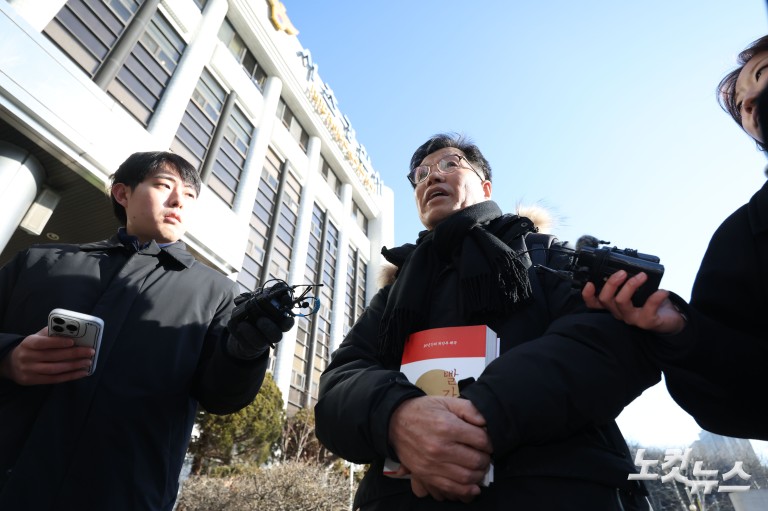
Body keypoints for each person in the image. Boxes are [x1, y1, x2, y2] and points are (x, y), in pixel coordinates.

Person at [314, 133, 661, 510]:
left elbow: (609, 341)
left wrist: (483, 412)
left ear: (485, 185)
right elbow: (339, 385)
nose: (432, 177)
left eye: (450, 164)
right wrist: (395, 416)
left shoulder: (543, 254)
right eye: (422, 173)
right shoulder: (395, 293)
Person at [0, 151, 291, 510]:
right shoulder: (37, 263)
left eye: (188, 195)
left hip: (125, 496)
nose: (177, 201)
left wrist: (245, 354)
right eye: (163, 185)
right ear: (122, 194)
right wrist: (8, 356)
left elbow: (222, 397)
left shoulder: (219, 293)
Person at [582, 35, 768, 441]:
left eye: (763, 75)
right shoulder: (744, 237)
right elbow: (741, 393)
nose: (751, 103)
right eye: (741, 106)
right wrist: (683, 333)